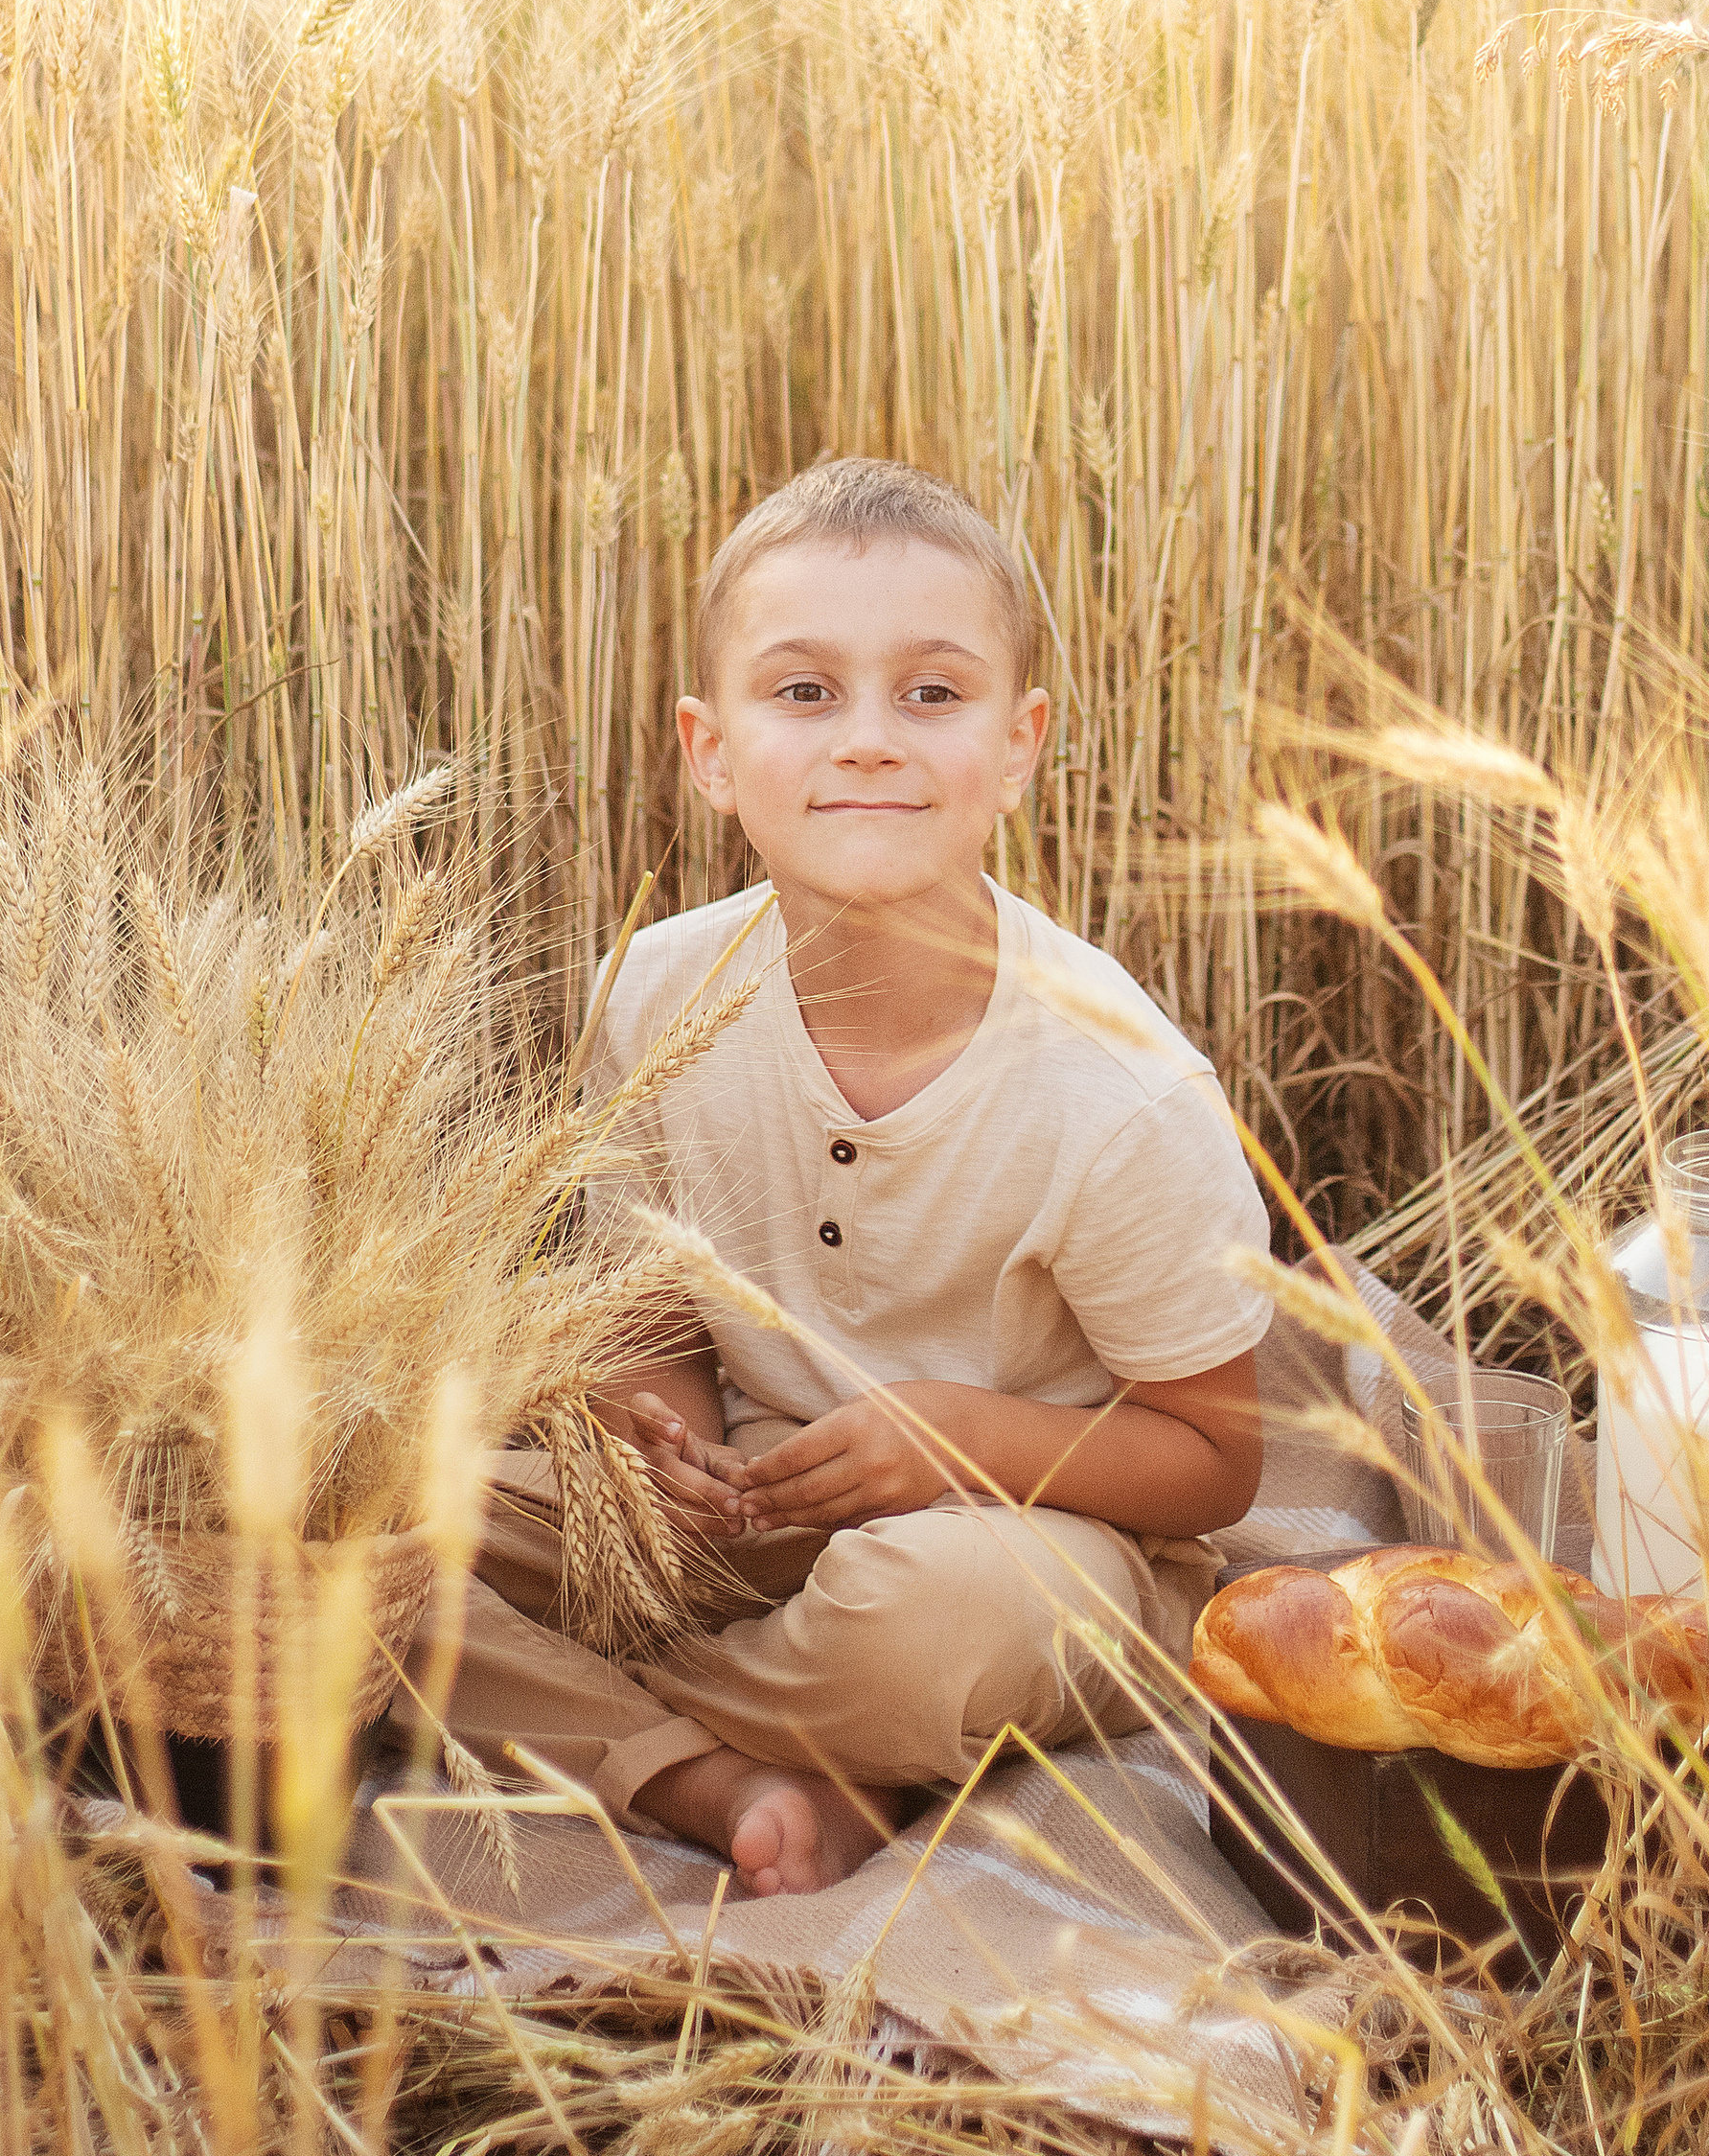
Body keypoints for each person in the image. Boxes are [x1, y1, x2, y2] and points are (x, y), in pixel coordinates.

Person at [439, 456, 1273, 1898]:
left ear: (1019, 747)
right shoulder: (654, 992)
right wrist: (664, 1452)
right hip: (753, 1515)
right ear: (710, 749)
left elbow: (1215, 1462)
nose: (870, 742)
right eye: (806, 693)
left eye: (932, 695)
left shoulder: (1117, 1093)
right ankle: (725, 1780)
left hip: (1024, 1541)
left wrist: (957, 1438)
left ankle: (618, 1719)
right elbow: (654, 1309)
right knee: (392, 1526)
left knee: (919, 1624)